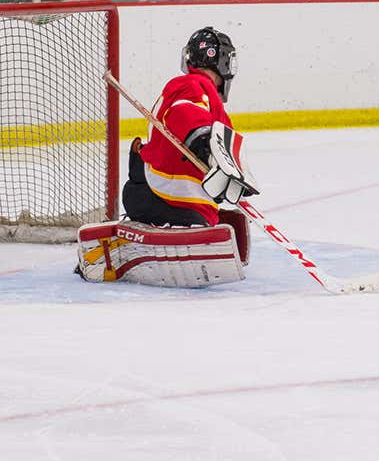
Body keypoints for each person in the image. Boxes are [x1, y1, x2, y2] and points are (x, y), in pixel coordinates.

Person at [76, 27, 258, 287]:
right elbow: (185, 115)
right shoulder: (192, 84)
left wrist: (233, 176)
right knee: (200, 219)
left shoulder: (207, 98)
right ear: (221, 61)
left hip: (170, 195)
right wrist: (202, 140)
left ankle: (195, 220)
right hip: (160, 195)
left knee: (208, 216)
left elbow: (220, 142)